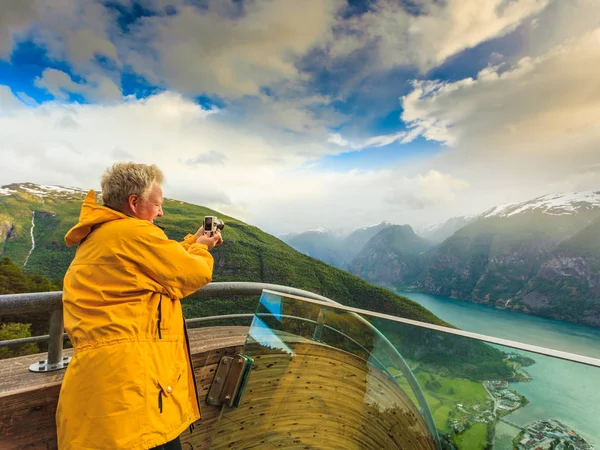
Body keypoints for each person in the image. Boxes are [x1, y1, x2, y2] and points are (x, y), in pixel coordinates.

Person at [56, 162, 223, 450]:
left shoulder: (103, 235)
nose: (161, 212)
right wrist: (201, 248)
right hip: (133, 395)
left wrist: (190, 242)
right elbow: (193, 273)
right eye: (157, 205)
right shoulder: (134, 234)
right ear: (134, 203)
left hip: (102, 389)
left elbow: (154, 266)